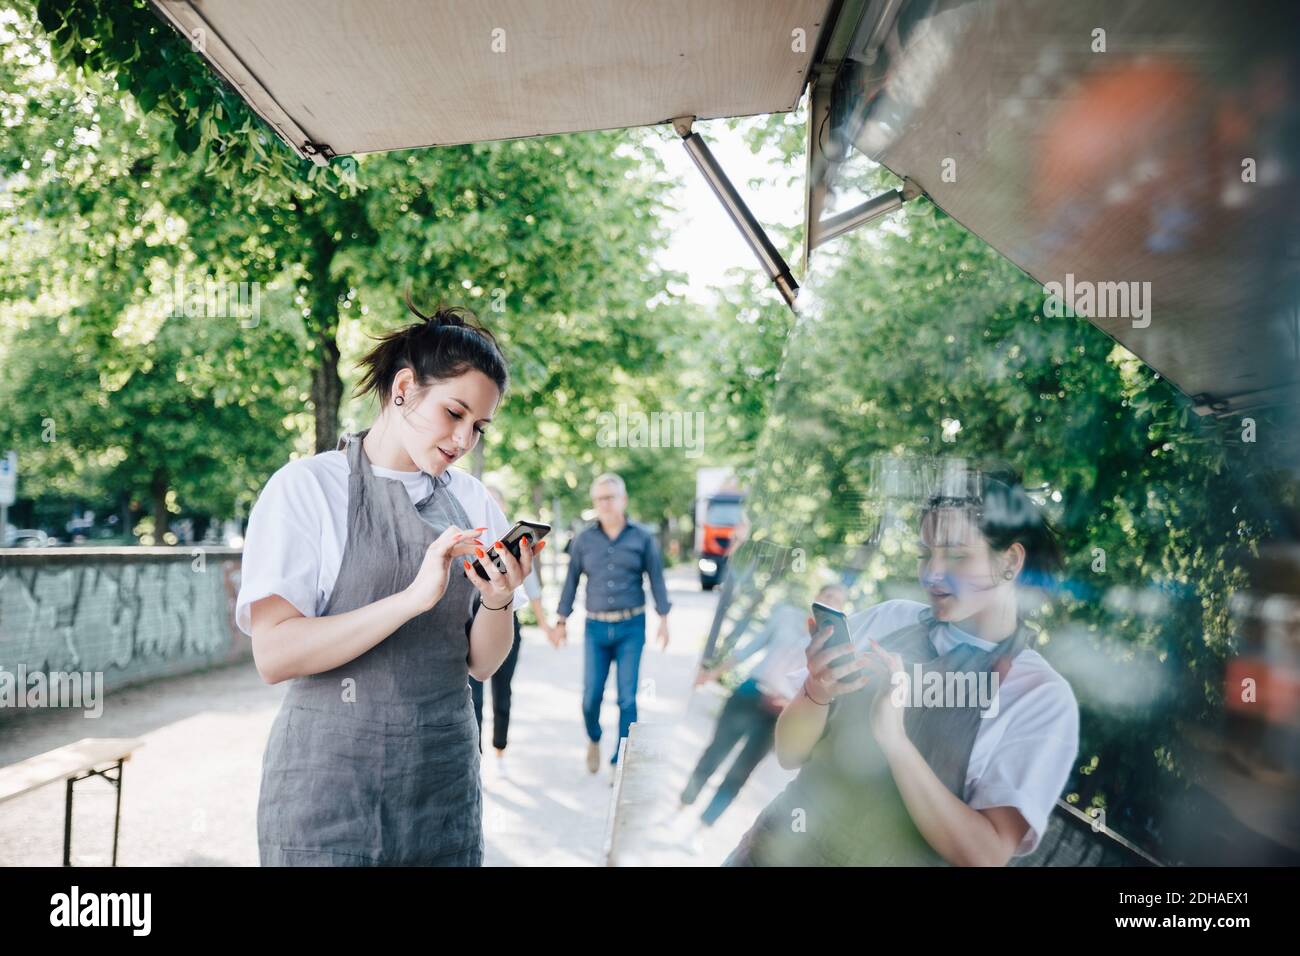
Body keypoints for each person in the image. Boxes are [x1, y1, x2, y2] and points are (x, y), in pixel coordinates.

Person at [237, 298, 542, 866]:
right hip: (327, 803)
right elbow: (274, 654)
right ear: (404, 388)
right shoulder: (305, 489)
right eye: (454, 413)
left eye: (478, 426)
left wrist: (499, 603)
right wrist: (410, 600)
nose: (463, 439)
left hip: (442, 795)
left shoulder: (473, 501)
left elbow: (482, 664)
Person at [725, 465, 1080, 866]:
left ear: (1011, 562)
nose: (932, 573)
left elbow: (985, 854)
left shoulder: (1039, 696)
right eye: (925, 554)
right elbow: (789, 753)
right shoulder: (889, 619)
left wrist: (894, 740)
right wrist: (816, 692)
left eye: (957, 555)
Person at [681, 583, 847, 832]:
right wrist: (713, 673)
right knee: (715, 751)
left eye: (837, 601)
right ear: (817, 596)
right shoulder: (785, 616)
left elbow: (820, 690)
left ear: (841, 610)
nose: (830, 602)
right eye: (827, 596)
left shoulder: (830, 648)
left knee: (741, 771)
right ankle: (683, 804)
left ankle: (703, 827)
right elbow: (750, 648)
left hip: (779, 712)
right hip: (750, 693)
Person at [553, 473, 672, 774]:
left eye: (609, 497)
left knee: (627, 697)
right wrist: (561, 620)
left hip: (631, 626)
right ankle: (594, 738)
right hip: (595, 629)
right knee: (590, 697)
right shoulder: (583, 540)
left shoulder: (642, 538)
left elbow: (656, 578)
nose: (604, 504)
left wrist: (664, 619)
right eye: (599, 499)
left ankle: (621, 760)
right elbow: (571, 582)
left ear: (623, 500)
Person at [469, 484, 556, 779]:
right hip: (473, 625)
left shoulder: (515, 552)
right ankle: (476, 756)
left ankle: (500, 748)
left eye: (496, 504)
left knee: (502, 691)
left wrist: (547, 627)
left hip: (509, 623)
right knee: (475, 697)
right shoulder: (470, 544)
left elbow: (532, 593)